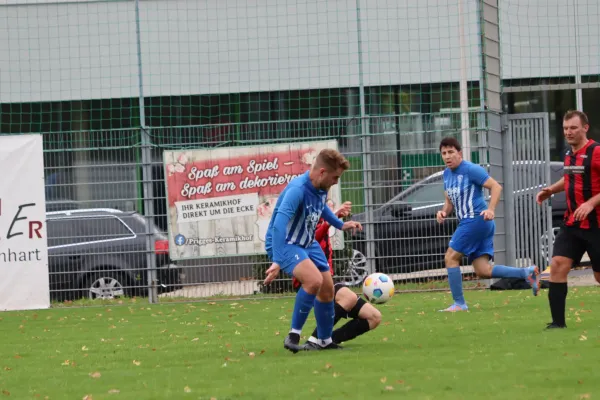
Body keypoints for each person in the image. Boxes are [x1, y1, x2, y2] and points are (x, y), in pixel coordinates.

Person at [263, 149, 363, 352]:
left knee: (327, 289)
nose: (336, 181)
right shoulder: (297, 190)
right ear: (322, 172)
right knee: (314, 281)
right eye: (335, 177)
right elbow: (278, 225)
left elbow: (321, 208)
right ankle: (293, 335)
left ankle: (324, 340)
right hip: (287, 243)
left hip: (307, 243)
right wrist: (277, 259)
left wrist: (341, 224)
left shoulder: (321, 188)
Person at [436, 137, 540, 312]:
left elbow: (496, 187)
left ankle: (459, 304)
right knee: (483, 270)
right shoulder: (446, 174)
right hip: (477, 224)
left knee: (450, 258)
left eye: (451, 152)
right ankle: (526, 273)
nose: (447, 156)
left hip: (476, 220)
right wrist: (443, 211)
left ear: (459, 153)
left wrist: (491, 209)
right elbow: (449, 202)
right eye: (444, 153)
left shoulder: (471, 169)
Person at [536, 110, 600, 329]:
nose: (568, 132)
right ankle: (558, 324)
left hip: (597, 226)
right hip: (572, 223)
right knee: (557, 265)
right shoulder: (569, 154)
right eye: (565, 128)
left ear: (585, 128)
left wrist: (591, 203)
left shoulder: (596, 151)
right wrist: (551, 190)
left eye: (573, 128)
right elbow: (569, 178)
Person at [289, 201, 382, 348]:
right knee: (348, 297)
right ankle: (315, 340)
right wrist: (334, 218)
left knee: (374, 317)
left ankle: (329, 340)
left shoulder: (323, 222)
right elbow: (311, 239)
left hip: (328, 280)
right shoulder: (308, 221)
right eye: (328, 206)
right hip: (312, 280)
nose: (329, 210)